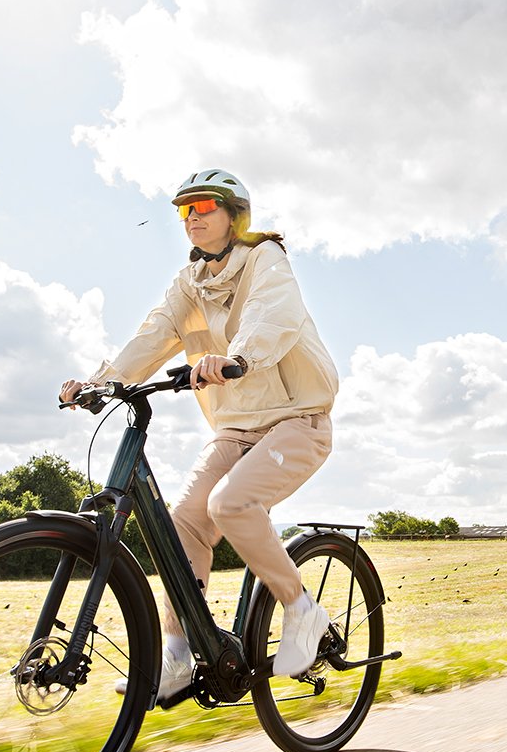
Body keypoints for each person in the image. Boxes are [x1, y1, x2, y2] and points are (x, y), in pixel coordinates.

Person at [61, 169, 341, 703]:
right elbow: (153, 334)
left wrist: (237, 357)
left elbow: (271, 315)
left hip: (297, 419)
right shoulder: (188, 283)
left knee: (230, 504)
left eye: (204, 206)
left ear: (235, 215)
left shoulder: (265, 259)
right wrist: (100, 383)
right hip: (236, 428)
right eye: (184, 210)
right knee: (184, 522)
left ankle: (302, 611)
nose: (192, 217)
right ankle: (176, 654)